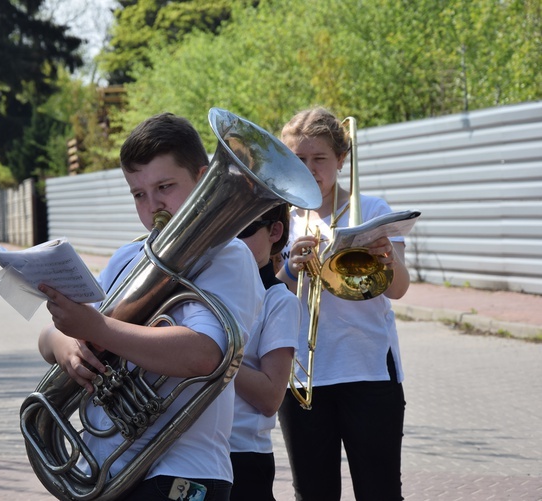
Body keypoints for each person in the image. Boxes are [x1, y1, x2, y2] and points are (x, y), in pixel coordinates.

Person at [37, 112, 265, 501]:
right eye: (138, 194)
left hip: (183, 473)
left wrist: (96, 329)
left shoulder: (227, 256)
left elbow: (205, 355)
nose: (152, 204)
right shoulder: (127, 257)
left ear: (203, 177)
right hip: (105, 468)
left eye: (164, 186)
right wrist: (64, 346)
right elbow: (53, 336)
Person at [275, 107, 410, 500]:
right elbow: (261, 300)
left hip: (369, 371)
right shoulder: (276, 219)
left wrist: (388, 258)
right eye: (299, 160)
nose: (310, 168)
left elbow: (398, 290)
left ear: (341, 160)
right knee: (313, 492)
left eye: (319, 159)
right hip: (302, 376)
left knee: (380, 490)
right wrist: (287, 270)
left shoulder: (372, 211)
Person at [229, 203, 300, 501]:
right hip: (191, 449)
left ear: (275, 231)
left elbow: (272, 397)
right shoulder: (204, 289)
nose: (231, 240)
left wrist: (213, 354)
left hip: (242, 455)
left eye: (244, 230)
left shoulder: (279, 301)